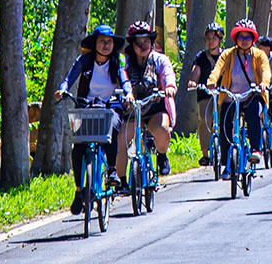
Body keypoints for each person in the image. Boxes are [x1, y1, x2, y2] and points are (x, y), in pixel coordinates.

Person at [53, 24, 133, 215]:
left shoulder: (118, 61)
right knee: (78, 147)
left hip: (110, 107)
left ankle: (112, 170)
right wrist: (62, 90)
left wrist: (128, 94)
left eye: (110, 42)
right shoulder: (84, 60)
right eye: (102, 41)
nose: (106, 45)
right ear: (95, 43)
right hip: (86, 107)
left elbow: (125, 80)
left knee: (112, 129)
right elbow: (69, 78)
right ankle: (80, 191)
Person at [206, 18, 270, 177]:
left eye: (247, 37)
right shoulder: (228, 54)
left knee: (254, 116)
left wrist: (264, 83)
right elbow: (217, 69)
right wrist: (212, 82)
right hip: (231, 98)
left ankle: (256, 150)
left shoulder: (259, 55)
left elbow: (265, 71)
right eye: (241, 37)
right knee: (225, 126)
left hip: (251, 96)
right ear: (236, 39)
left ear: (253, 39)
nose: (244, 41)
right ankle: (227, 164)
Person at [119, 21, 178, 180]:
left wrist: (170, 87)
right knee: (122, 139)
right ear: (132, 44)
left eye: (146, 41)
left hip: (154, 107)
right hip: (132, 110)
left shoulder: (160, 60)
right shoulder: (124, 62)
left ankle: (161, 155)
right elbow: (119, 80)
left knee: (162, 130)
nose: (143, 45)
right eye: (138, 42)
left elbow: (168, 75)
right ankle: (121, 180)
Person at [185, 21, 224, 166]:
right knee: (205, 119)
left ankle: (228, 148)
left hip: (222, 93)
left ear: (220, 39)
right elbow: (196, 71)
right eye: (208, 38)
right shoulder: (201, 56)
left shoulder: (226, 55)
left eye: (214, 38)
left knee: (227, 119)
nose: (210, 41)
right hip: (205, 93)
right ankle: (206, 153)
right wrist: (193, 82)